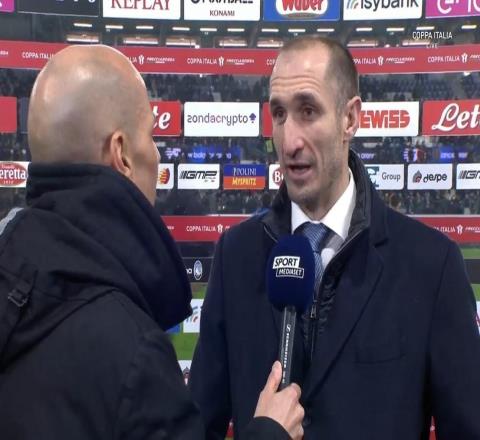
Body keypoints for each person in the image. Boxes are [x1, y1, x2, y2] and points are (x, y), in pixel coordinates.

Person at [189, 35, 480, 439]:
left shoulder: (430, 265)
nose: (289, 141)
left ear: (350, 119)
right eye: (280, 114)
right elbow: (198, 428)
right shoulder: (236, 256)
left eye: (308, 111)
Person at [0, 45, 304, 440]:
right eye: (151, 135)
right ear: (122, 154)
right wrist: (270, 433)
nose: (157, 154)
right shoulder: (132, 353)